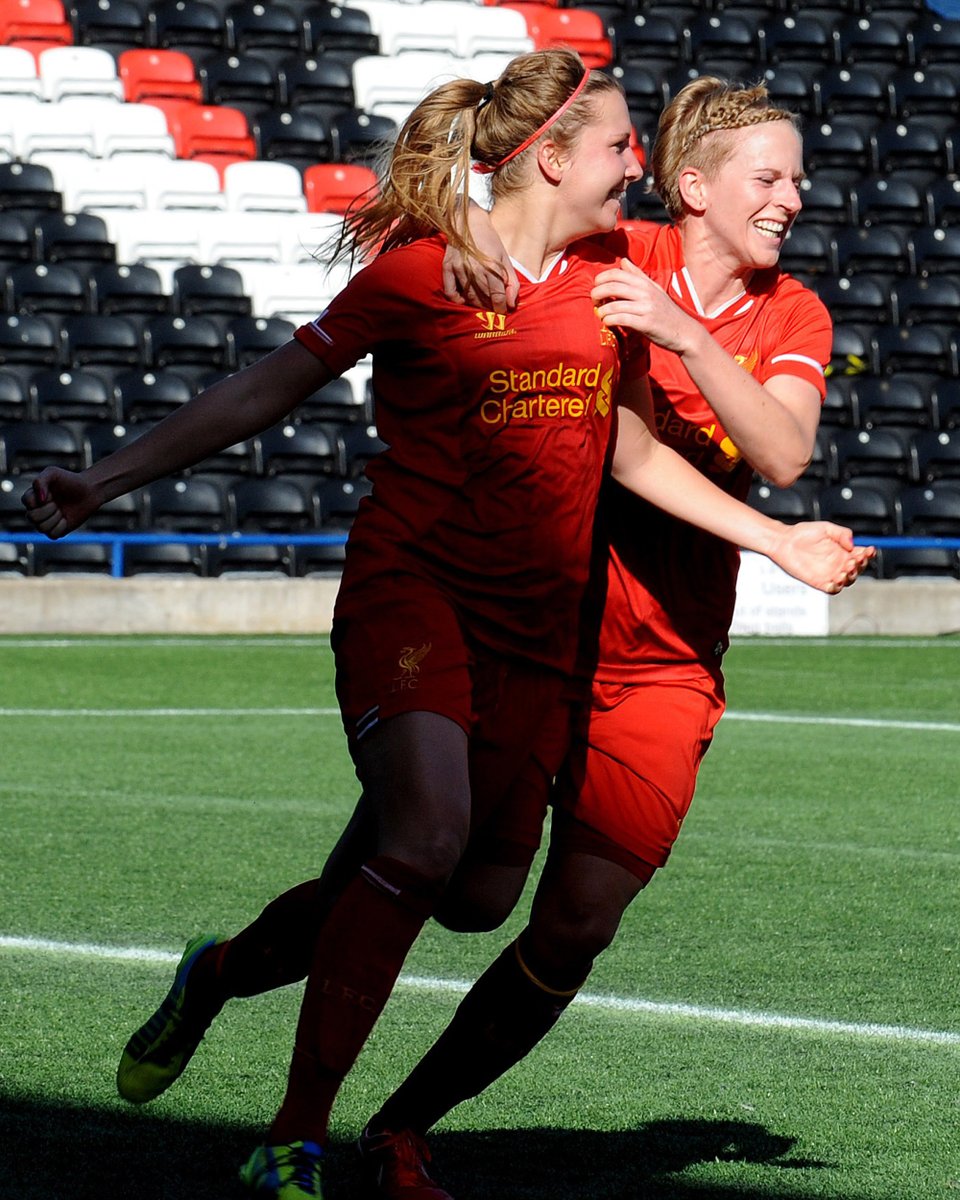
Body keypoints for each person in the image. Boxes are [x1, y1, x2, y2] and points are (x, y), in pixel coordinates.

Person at [23, 55, 869, 1200]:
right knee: (421, 844)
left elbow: (711, 450)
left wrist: (771, 531)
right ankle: (297, 1134)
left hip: (603, 652)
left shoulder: (653, 285)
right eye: (770, 175)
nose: (792, 198)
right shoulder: (504, 262)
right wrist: (108, 480)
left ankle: (273, 1017)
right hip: (440, 601)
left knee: (482, 901)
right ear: (662, 177)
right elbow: (272, 385)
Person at [346, 74, 858, 1199]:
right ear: (693, 186)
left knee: (575, 922)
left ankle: (401, 1127)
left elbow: (781, 452)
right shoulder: (605, 247)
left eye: (799, 178)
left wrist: (685, 336)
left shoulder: (793, 314)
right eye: (770, 177)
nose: (793, 198)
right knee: (462, 889)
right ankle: (231, 970)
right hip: (540, 630)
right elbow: (496, 228)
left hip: (668, 665)